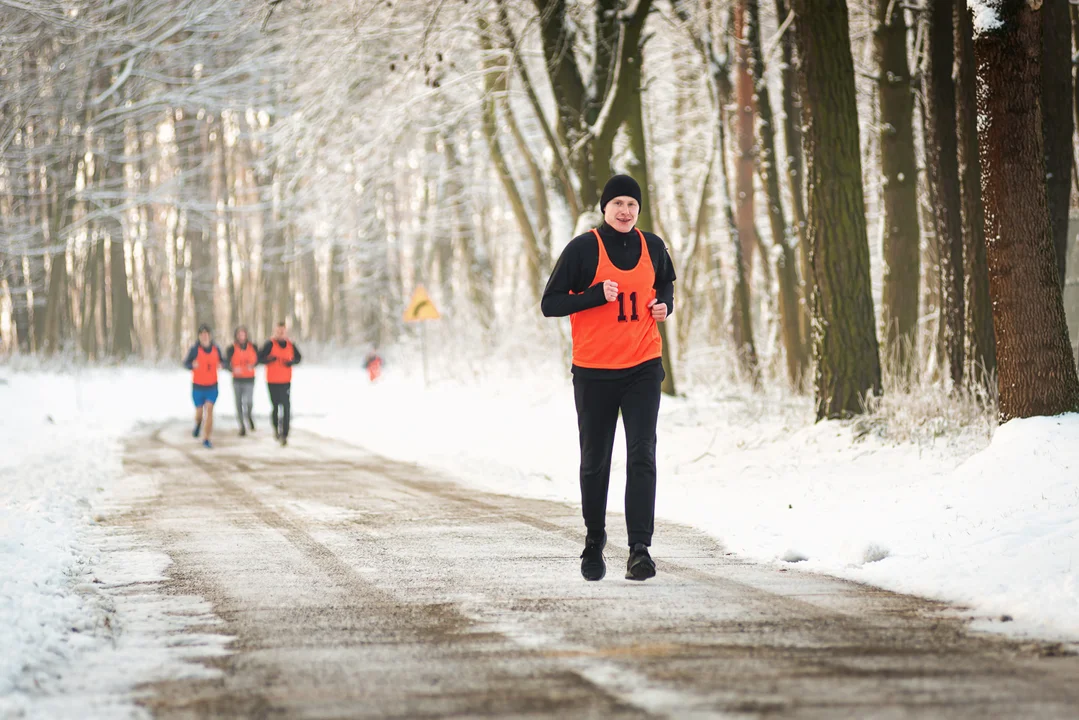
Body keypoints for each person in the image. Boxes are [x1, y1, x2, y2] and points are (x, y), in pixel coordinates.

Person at [541, 174, 676, 582]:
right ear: (604, 208)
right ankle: (594, 540)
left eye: (632, 205)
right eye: (617, 203)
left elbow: (666, 283)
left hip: (643, 367)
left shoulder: (652, 245)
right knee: (595, 462)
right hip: (594, 372)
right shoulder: (583, 249)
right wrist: (594, 295)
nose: (625, 211)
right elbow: (550, 304)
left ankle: (640, 549)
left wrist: (665, 306)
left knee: (642, 454)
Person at [258, 322, 302, 446]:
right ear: (275, 332)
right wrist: (268, 360)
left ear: (286, 332)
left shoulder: (290, 345)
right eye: (278, 331)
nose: (281, 334)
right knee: (276, 407)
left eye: (283, 331)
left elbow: (299, 358)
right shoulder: (269, 344)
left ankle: (285, 433)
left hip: (285, 382)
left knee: (286, 407)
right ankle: (276, 429)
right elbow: (259, 358)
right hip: (272, 381)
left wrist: (291, 362)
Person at [183, 324, 225, 450]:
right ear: (199, 336)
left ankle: (206, 438)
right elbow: (185, 363)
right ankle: (197, 424)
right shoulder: (194, 350)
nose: (205, 337)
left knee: (210, 410)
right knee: (199, 414)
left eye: (206, 334)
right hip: (198, 387)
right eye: (202, 335)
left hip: (212, 386)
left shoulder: (216, 349)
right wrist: (192, 365)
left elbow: (224, 361)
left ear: (210, 336)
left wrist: (222, 365)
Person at [225, 326, 258, 437]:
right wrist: (232, 369)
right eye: (239, 334)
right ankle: (242, 426)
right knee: (238, 403)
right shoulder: (231, 349)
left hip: (249, 380)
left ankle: (248, 415)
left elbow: (259, 359)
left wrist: (253, 365)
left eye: (243, 334)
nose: (241, 336)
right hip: (237, 380)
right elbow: (225, 363)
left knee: (248, 402)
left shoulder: (253, 347)